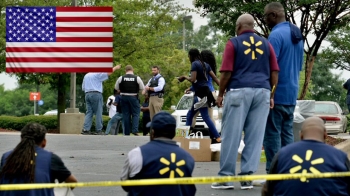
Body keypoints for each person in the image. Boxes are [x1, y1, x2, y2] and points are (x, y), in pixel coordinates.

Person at [211, 13, 279, 190]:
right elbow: (274, 72)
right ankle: (247, 178)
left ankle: (225, 178)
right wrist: (271, 95)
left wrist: (220, 94)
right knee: (255, 138)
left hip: (239, 91)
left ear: (238, 26)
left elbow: (226, 72)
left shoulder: (233, 43)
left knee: (231, 136)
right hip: (263, 92)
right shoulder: (266, 43)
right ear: (253, 26)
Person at [262, 2, 304, 175]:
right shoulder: (296, 34)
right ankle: (290, 171)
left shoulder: (276, 35)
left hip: (276, 94)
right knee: (287, 135)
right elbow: (299, 66)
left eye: (265, 17)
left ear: (273, 15)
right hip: (291, 94)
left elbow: (272, 67)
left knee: (272, 135)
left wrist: (270, 93)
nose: (265, 20)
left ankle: (274, 174)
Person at [262, 117, 350, 196]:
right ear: (325, 134)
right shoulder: (339, 156)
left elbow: (267, 189)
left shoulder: (282, 154)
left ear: (301, 135)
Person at [120, 112, 196, 196]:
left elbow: (125, 184)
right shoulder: (187, 157)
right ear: (174, 133)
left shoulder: (137, 153)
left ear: (152, 132)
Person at [0, 123, 77, 196]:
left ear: (21, 140)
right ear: (44, 142)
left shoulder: (6, 157)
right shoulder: (51, 158)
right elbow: (72, 182)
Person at [178, 48, 221, 143]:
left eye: (189, 56)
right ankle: (183, 137)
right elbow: (215, 79)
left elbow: (193, 80)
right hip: (205, 93)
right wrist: (222, 91)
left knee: (205, 116)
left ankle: (217, 137)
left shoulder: (194, 64)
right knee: (190, 114)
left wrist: (184, 77)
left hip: (201, 95)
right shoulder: (206, 65)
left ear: (191, 56)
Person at [81, 65, 121, 135]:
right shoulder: (97, 74)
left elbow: (83, 87)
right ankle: (98, 129)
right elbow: (108, 73)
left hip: (87, 94)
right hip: (96, 93)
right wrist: (116, 68)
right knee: (98, 112)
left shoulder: (86, 75)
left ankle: (86, 129)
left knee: (89, 112)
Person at [186, 50, 218, 133]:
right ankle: (214, 136)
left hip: (203, 93)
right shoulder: (209, 67)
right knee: (209, 117)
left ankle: (188, 135)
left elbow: (199, 82)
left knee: (192, 116)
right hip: (211, 92)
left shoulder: (200, 67)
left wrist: (191, 87)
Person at [115, 65, 145, 136]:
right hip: (133, 97)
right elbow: (142, 87)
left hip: (124, 97)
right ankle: (135, 130)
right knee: (135, 114)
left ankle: (127, 132)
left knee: (126, 115)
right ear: (133, 70)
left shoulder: (121, 78)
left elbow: (116, 88)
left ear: (125, 71)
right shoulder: (137, 78)